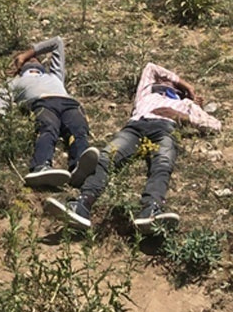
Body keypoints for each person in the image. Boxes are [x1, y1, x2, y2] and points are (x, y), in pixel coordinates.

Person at [46, 63, 221, 234]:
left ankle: (151, 209)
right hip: (135, 126)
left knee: (162, 164)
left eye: (174, 87)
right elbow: (151, 67)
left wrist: (183, 115)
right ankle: (82, 204)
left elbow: (215, 125)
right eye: (165, 83)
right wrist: (187, 85)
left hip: (165, 128)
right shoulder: (147, 92)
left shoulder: (187, 105)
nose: (168, 85)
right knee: (107, 157)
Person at [0, 37, 100, 190]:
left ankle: (80, 168)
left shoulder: (55, 75)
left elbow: (57, 43)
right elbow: (3, 98)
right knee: (47, 128)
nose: (32, 59)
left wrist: (26, 54)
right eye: (28, 60)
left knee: (78, 130)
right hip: (42, 103)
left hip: (69, 104)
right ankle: (40, 167)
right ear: (17, 67)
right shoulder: (14, 82)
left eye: (35, 57)